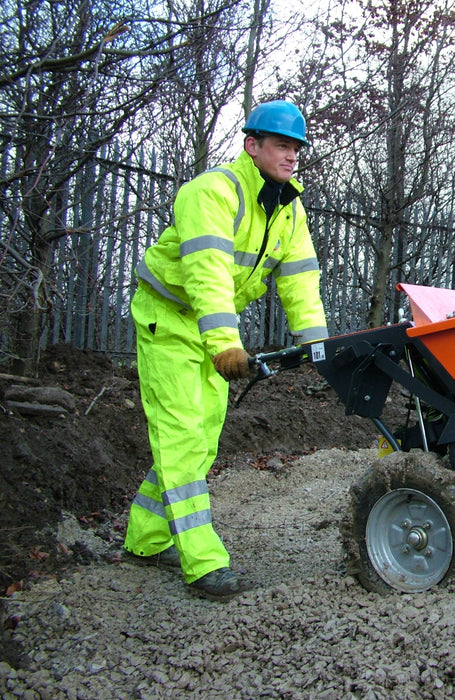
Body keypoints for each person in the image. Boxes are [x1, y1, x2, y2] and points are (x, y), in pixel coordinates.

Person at [122, 100, 329, 601]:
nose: (292, 156)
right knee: (182, 438)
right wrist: (225, 343)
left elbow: (300, 280)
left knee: (200, 440)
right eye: (282, 145)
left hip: (209, 331)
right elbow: (207, 273)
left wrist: (319, 343)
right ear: (251, 145)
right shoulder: (211, 192)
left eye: (296, 148)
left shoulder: (288, 209)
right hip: (169, 322)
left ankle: (144, 539)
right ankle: (203, 561)